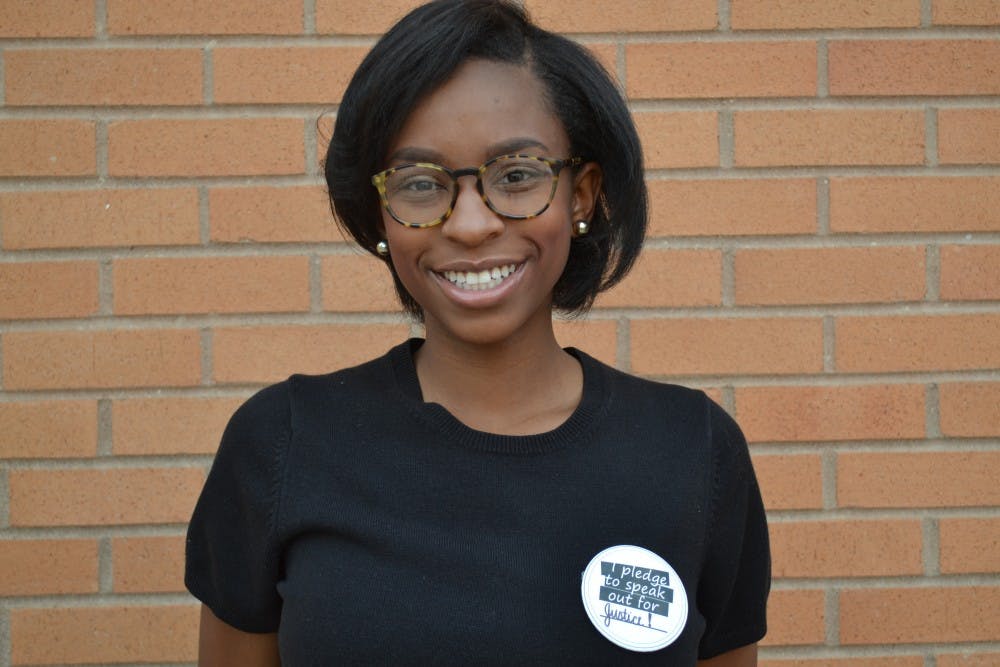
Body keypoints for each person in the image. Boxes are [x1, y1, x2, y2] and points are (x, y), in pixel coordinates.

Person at [185, 1, 770, 665]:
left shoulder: (692, 451)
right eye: (419, 183)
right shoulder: (283, 444)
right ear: (380, 212)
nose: (469, 224)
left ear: (581, 194)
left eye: (516, 175)